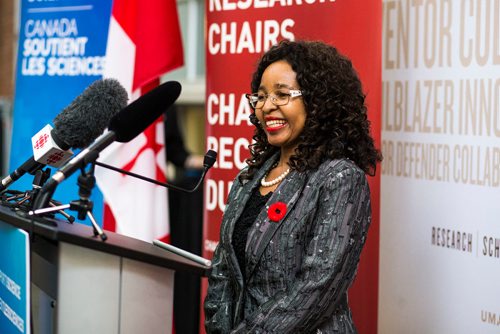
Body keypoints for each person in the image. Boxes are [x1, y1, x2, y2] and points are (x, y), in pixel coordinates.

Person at [204, 40, 382, 333]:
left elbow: (316, 288)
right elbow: (223, 271)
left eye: (282, 95)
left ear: (318, 101)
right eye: (260, 97)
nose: (267, 106)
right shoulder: (248, 178)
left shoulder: (339, 178)